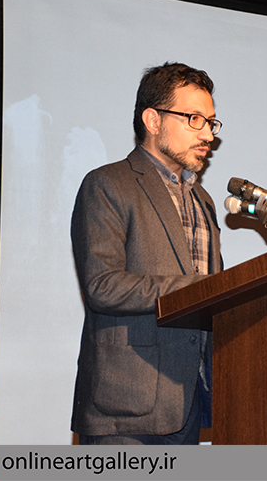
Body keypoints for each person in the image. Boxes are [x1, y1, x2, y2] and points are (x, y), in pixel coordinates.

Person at [70, 62, 223, 445]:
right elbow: (102, 286)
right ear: (153, 120)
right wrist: (198, 289)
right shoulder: (108, 184)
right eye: (194, 119)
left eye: (211, 123)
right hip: (125, 404)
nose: (208, 134)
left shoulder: (203, 201)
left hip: (188, 401)